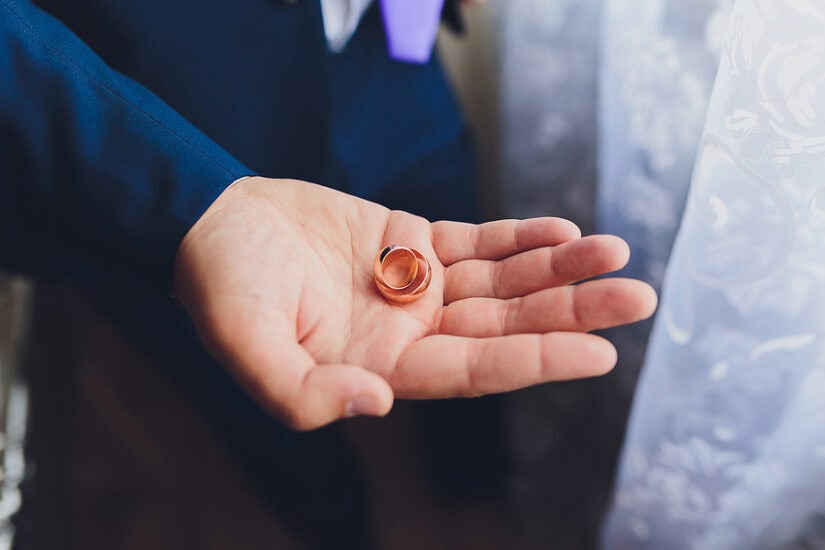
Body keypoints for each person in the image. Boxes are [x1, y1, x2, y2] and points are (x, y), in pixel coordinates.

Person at [1, 0, 656, 545]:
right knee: (245, 373)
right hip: (162, 112)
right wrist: (188, 198)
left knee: (469, 277)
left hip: (392, 50)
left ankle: (470, 484)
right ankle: (335, 525)